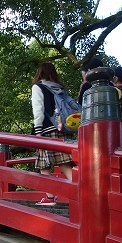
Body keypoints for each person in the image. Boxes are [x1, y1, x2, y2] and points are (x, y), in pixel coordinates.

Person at [31, 62, 75, 207]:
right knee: (65, 164)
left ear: (39, 73)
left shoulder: (38, 87)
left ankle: (50, 197)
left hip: (46, 130)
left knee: (44, 165)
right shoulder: (60, 88)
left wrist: (37, 131)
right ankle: (80, 192)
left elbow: (38, 110)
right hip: (63, 129)